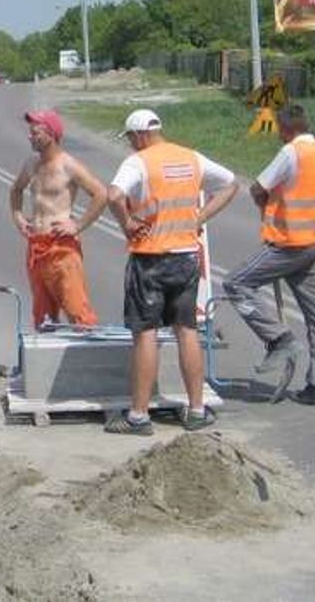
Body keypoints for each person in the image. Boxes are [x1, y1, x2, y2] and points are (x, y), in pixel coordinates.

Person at [104, 109, 239, 434]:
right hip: (186, 256)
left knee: (145, 332)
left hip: (150, 258)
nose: (131, 144)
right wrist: (200, 217)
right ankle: (196, 410)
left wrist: (127, 223)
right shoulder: (191, 158)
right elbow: (231, 184)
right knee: (187, 330)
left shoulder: (139, 162)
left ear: (140, 135)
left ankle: (139, 416)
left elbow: (113, 195)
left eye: (131, 139)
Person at [222, 103, 315, 407]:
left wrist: (264, 205)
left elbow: (258, 187)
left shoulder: (291, 152)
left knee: (236, 283)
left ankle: (279, 339)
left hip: (291, 243)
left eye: (279, 130)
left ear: (287, 129)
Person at [9, 109, 107, 328]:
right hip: (37, 246)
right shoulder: (31, 163)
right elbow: (16, 189)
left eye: (35, 133)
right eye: (30, 132)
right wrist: (18, 216)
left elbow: (101, 194)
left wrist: (78, 225)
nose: (30, 137)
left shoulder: (68, 165)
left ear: (51, 134)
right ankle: (48, 347)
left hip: (61, 247)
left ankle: (86, 347)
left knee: (77, 312)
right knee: (43, 317)